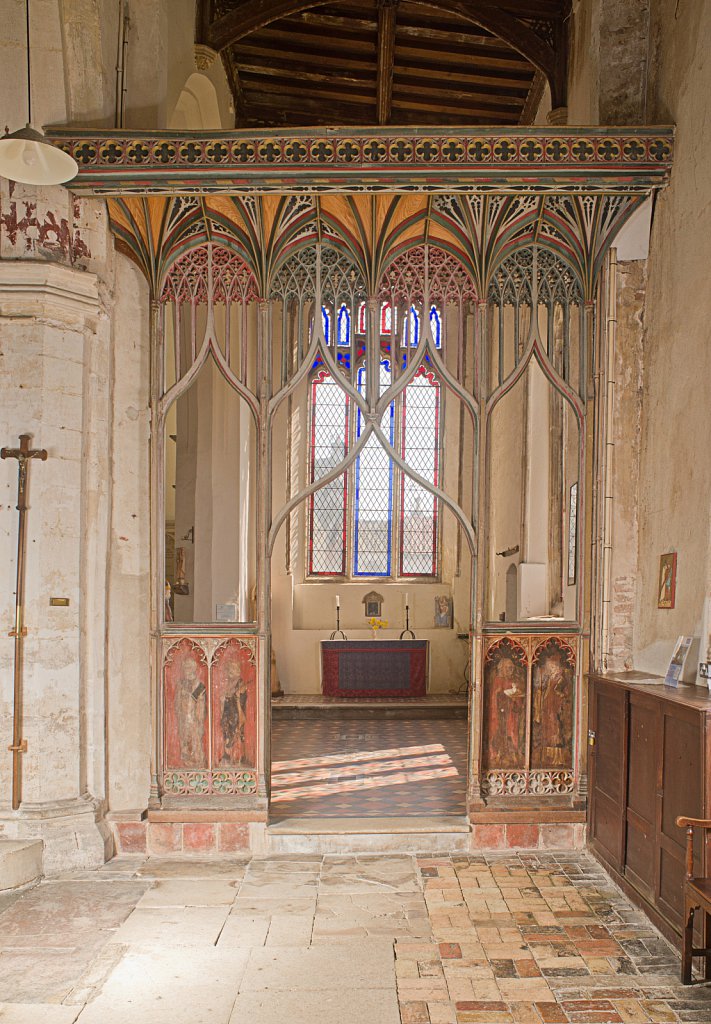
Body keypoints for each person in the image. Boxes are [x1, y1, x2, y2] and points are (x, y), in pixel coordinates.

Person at [485, 653, 526, 768]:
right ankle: (499, 754)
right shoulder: (498, 680)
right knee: (500, 732)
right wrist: (500, 694)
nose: (511, 670)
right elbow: (494, 696)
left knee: (512, 732)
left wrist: (516, 697)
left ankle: (513, 754)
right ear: (502, 668)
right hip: (500, 713)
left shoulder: (514, 680)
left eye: (512, 667)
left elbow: (519, 695)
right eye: (508, 667)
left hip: (512, 713)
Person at [175, 655, 206, 767]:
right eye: (185, 667)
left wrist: (198, 718)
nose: (186, 670)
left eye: (188, 667)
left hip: (194, 718)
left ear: (194, 668)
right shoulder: (181, 684)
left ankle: (197, 762)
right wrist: (180, 715)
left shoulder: (200, 685)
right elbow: (177, 702)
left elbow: (201, 705)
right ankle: (186, 761)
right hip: (183, 718)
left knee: (195, 740)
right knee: (184, 740)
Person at [220, 658, 250, 765]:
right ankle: (228, 756)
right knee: (227, 736)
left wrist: (236, 697)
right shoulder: (229, 683)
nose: (231, 671)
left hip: (236, 714)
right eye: (229, 668)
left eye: (234, 668)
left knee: (235, 735)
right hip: (227, 714)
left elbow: (241, 702)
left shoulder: (240, 684)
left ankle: (237, 758)